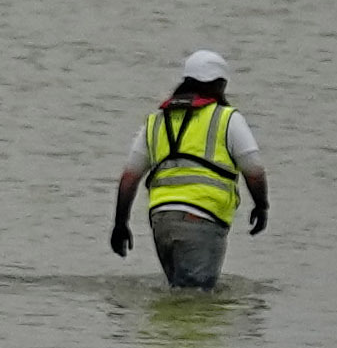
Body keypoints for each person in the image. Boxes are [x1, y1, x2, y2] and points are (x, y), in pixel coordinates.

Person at [112, 54, 267, 289]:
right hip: (202, 220)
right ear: (220, 84)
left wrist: (120, 225)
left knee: (177, 297)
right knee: (195, 301)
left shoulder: (155, 121)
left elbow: (129, 178)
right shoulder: (227, 119)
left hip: (161, 221)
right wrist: (261, 205)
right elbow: (254, 170)